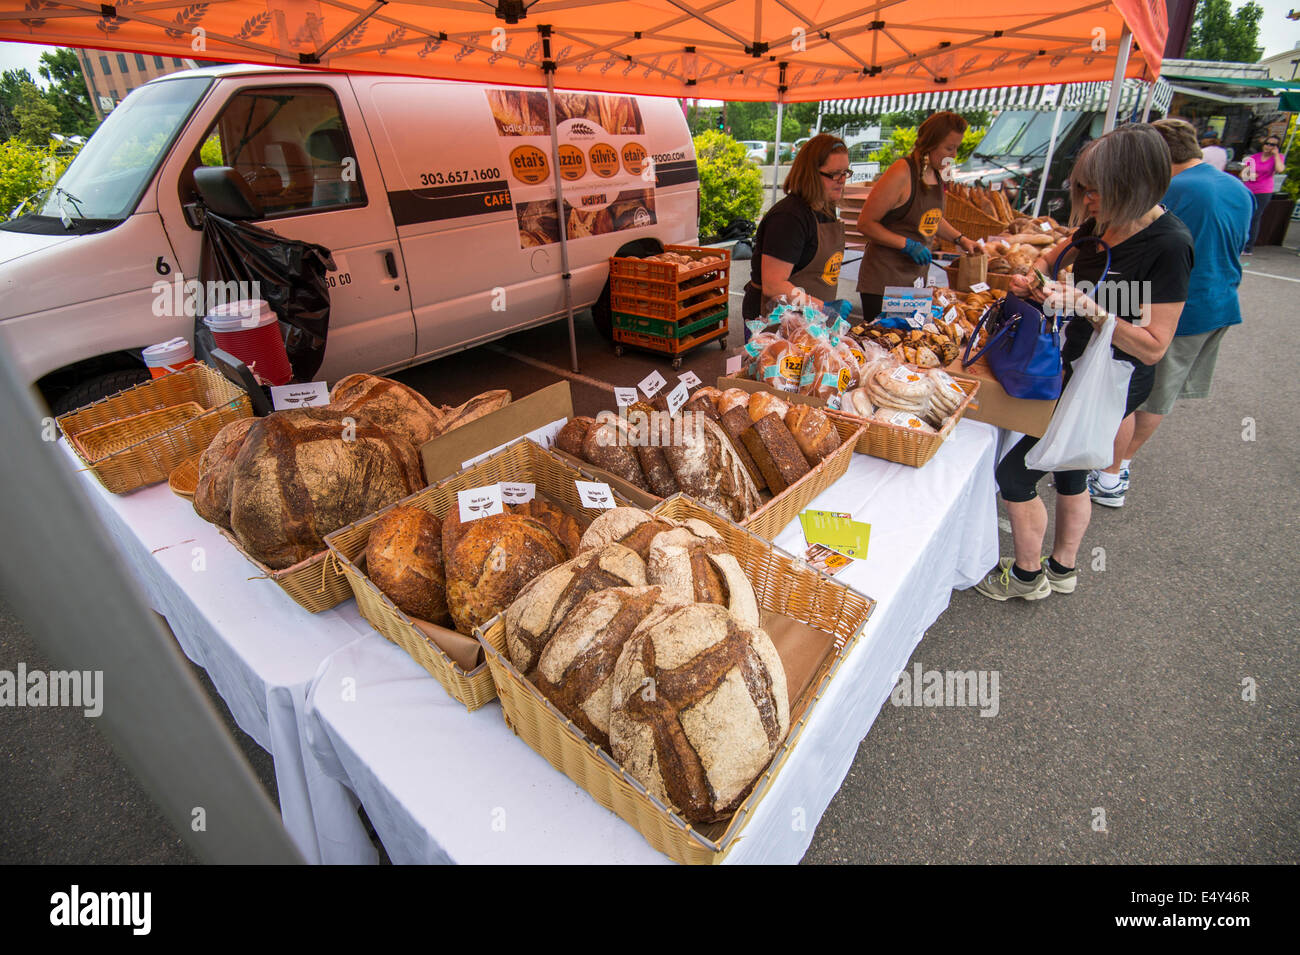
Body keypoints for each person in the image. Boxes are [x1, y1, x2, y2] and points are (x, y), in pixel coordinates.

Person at [974, 124, 1193, 602]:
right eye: (1083, 190)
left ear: (1133, 185)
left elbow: (1155, 345)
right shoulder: (1101, 223)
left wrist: (1090, 309)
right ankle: (1063, 568)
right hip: (1073, 367)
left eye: (1095, 191)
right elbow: (1053, 259)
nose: (1087, 201)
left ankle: (1028, 576)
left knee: (1016, 473)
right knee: (1072, 471)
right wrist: (1030, 278)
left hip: (1110, 381)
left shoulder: (1169, 245)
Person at [1085, 119, 1252, 507]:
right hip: (1221, 301)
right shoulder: (1237, 188)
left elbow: (1143, 246)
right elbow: (1242, 242)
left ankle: (1111, 474)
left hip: (1174, 307)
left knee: (1131, 391)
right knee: (1162, 394)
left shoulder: (1171, 191)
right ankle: (1120, 465)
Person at [855, 111, 979, 320]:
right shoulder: (902, 171)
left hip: (915, 281)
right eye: (950, 148)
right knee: (884, 344)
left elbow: (931, 218)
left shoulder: (937, 173)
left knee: (910, 345)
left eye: (957, 147)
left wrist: (960, 239)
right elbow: (866, 223)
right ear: (931, 144)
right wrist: (906, 244)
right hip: (884, 281)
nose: (954, 155)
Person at [741, 134, 849, 325]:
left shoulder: (826, 209)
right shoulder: (789, 218)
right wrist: (820, 307)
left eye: (845, 172)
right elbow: (774, 285)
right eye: (834, 174)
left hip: (810, 318)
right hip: (777, 320)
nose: (841, 180)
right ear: (811, 174)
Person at [1240, 134, 1286, 254]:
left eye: (1273, 145)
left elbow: (1280, 169)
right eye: (1267, 143)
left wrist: (1275, 155)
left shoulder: (1278, 157)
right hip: (1249, 188)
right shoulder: (1254, 157)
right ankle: (1239, 242)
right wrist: (1250, 175)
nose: (1268, 146)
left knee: (1255, 216)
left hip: (1263, 190)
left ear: (1276, 147)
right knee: (1244, 215)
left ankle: (1248, 247)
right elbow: (1242, 174)